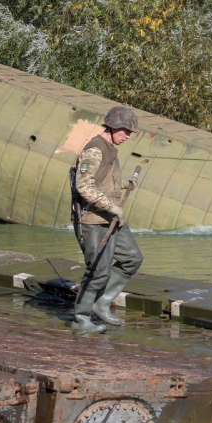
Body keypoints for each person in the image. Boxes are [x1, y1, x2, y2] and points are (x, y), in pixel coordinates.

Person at [71, 106, 143, 333]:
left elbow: (103, 180)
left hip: (110, 218)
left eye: (130, 132)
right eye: (125, 131)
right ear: (112, 125)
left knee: (132, 258)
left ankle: (102, 304)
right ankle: (81, 319)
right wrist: (112, 206)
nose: (128, 136)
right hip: (93, 220)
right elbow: (83, 186)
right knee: (97, 271)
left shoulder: (111, 148)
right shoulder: (94, 149)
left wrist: (124, 185)